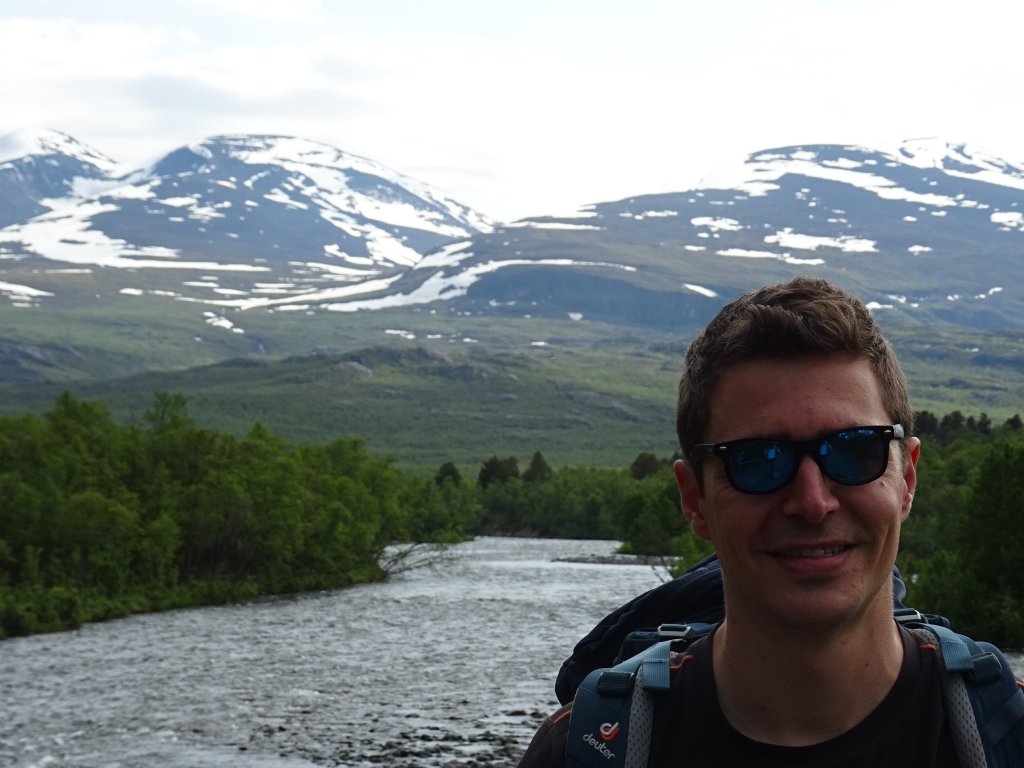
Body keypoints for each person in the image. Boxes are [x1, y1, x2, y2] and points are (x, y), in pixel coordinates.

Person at [518, 276, 975, 766]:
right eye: (758, 460)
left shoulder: (998, 731)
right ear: (695, 499)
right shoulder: (586, 749)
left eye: (854, 451)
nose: (813, 502)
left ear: (906, 478)